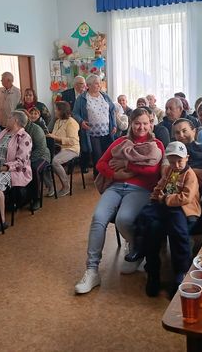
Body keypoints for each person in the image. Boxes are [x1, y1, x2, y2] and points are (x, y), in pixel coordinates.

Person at [74, 108, 164, 294]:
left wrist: (126, 164)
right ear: (131, 123)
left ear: (151, 124)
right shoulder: (120, 142)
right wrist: (116, 174)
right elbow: (100, 164)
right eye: (137, 123)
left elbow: (153, 170)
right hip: (115, 186)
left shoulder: (156, 145)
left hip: (140, 189)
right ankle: (92, 270)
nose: (141, 127)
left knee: (124, 219)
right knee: (98, 218)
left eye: (145, 123)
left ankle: (137, 249)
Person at [135, 141, 200, 296]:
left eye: (179, 161)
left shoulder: (190, 175)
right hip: (164, 204)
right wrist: (154, 198)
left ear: (187, 158)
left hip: (181, 207)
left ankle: (181, 272)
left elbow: (186, 197)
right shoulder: (169, 170)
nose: (176, 165)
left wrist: (165, 199)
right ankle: (141, 253)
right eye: (172, 162)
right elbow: (160, 185)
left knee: (179, 232)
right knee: (145, 216)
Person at [0, 111, 32, 234]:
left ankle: (1, 221)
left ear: (16, 120)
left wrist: (4, 167)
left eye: (9, 117)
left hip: (13, 170)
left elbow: (21, 162)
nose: (7, 119)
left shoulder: (24, 137)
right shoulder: (4, 132)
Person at [73, 74, 116, 178]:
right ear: (89, 85)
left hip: (107, 131)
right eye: (97, 83)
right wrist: (81, 122)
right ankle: (98, 176)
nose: (99, 85)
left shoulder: (104, 96)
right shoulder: (82, 98)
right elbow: (75, 113)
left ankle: (106, 175)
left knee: (107, 154)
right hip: (92, 133)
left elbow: (112, 110)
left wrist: (114, 124)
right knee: (97, 155)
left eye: (99, 83)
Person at [171, 118, 202, 188]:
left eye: (184, 131)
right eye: (177, 133)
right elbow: (168, 173)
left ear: (194, 131)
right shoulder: (172, 151)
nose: (181, 135)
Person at [47, 101, 80, 197]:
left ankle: (66, 186)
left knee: (55, 162)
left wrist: (55, 137)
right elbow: (54, 136)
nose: (55, 111)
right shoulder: (58, 121)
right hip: (58, 147)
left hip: (71, 149)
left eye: (56, 109)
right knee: (44, 159)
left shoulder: (71, 123)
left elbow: (72, 141)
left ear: (62, 111)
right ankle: (50, 187)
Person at [20, 109, 53, 203]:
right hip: (25, 157)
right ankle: (22, 197)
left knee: (33, 169)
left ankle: (36, 198)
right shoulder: (16, 129)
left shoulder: (36, 129)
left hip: (41, 155)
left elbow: (41, 149)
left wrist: (28, 160)